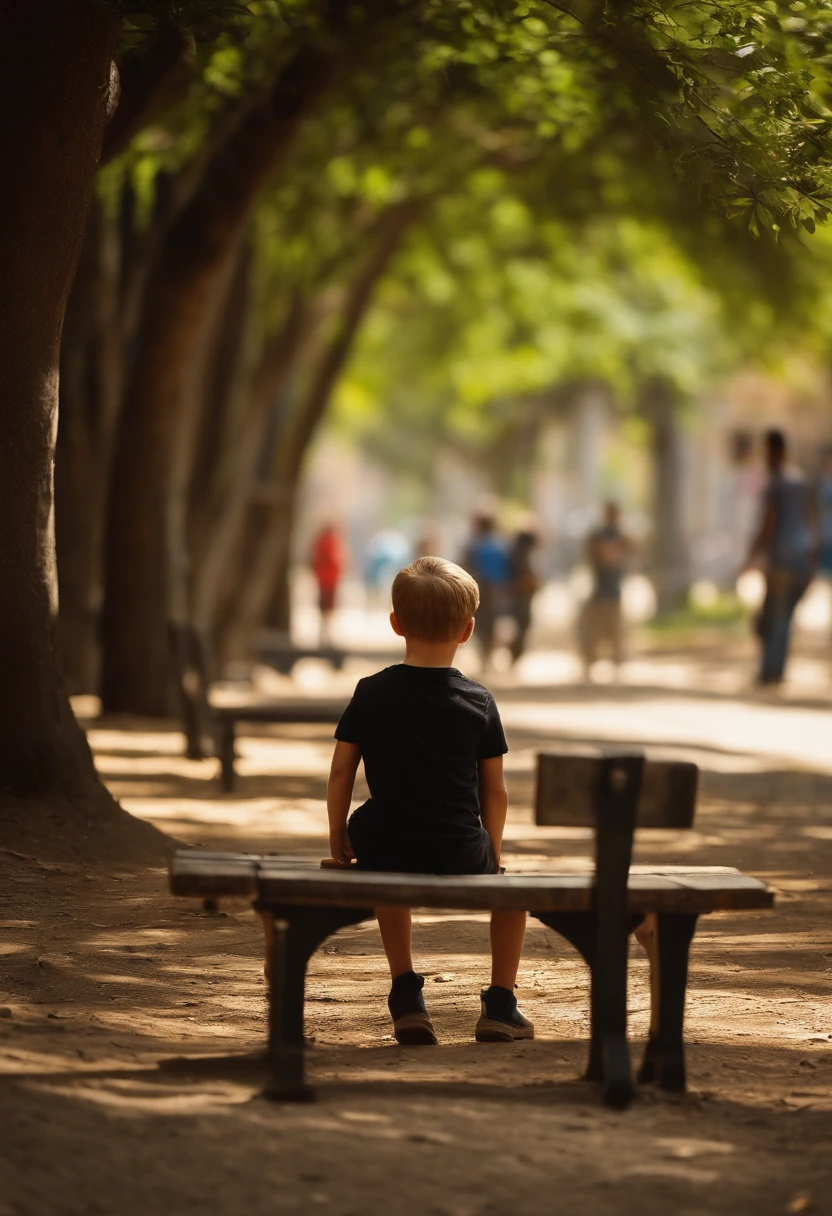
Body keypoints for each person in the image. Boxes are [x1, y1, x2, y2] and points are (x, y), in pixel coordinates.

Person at [326, 556, 531, 1046]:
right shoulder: (478, 700)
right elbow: (494, 790)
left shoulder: (370, 692)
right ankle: (501, 1004)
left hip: (384, 844)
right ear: (468, 630)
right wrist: (492, 855)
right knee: (514, 897)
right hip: (460, 847)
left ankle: (405, 993)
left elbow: (340, 771)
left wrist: (338, 834)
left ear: (395, 623)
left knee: (387, 864)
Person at [745, 429, 815, 685]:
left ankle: (769, 670)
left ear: (775, 452)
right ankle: (776, 670)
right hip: (799, 558)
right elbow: (809, 521)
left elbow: (768, 524)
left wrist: (751, 556)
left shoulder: (776, 484)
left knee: (773, 615)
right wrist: (811, 558)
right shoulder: (800, 482)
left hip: (780, 559)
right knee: (783, 617)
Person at [578, 501, 630, 678]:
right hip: (599, 592)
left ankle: (617, 665)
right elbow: (595, 553)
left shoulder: (620, 536)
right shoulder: (599, 535)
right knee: (591, 631)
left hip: (614, 592)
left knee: (615, 633)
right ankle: (589, 663)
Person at [461, 514, 510, 665]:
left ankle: (485, 655)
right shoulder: (500, 545)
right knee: (493, 622)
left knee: (480, 622)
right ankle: (489, 655)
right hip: (497, 589)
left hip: (479, 588)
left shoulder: (475, 546)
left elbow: (466, 567)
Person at [507, 524, 541, 664]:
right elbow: (520, 576)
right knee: (522, 624)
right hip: (519, 595)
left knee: (522, 624)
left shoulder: (520, 553)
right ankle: (514, 653)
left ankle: (515, 654)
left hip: (522, 595)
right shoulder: (519, 554)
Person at [310, 524, 344, 647]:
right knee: (327, 609)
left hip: (325, 579)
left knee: (326, 609)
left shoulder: (321, 542)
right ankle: (325, 635)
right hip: (327, 580)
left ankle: (325, 635)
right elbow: (334, 560)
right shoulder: (328, 542)